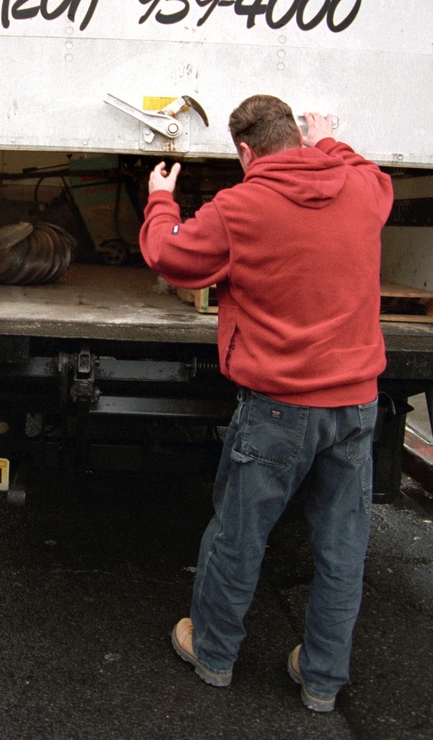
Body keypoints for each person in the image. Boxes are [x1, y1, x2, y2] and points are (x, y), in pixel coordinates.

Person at [139, 95, 394, 712]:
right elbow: (374, 175)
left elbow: (167, 255)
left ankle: (216, 654)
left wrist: (160, 197)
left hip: (278, 409)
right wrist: (328, 141)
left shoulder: (240, 207)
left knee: (239, 536)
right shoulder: (362, 189)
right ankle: (322, 678)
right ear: (298, 139)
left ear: (246, 153)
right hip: (356, 406)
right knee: (342, 548)